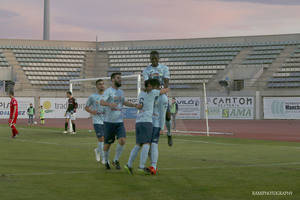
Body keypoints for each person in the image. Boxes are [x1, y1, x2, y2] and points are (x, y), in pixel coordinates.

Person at [124, 79, 168, 175]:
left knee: (138, 144)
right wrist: (166, 87)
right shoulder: (152, 93)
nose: (156, 88)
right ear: (149, 86)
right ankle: (141, 166)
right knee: (147, 144)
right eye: (155, 86)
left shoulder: (141, 94)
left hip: (138, 121)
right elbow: (164, 91)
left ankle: (129, 164)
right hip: (147, 121)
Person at [100, 72, 138, 170]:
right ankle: (106, 160)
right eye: (118, 78)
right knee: (107, 144)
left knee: (122, 140)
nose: (120, 79)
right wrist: (109, 104)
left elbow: (124, 102)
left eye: (120, 78)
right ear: (112, 79)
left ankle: (115, 160)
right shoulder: (108, 91)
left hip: (119, 122)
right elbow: (101, 101)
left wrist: (134, 105)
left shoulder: (121, 92)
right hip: (109, 122)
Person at [142, 50, 173, 146]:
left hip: (162, 94)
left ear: (159, 59)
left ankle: (169, 134)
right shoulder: (146, 70)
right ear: (150, 59)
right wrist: (155, 89)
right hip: (152, 96)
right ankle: (153, 134)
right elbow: (147, 85)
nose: (154, 60)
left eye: (156, 58)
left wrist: (161, 89)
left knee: (168, 116)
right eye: (152, 59)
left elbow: (166, 82)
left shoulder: (164, 68)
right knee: (152, 115)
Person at [148, 80, 169, 175]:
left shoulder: (163, 98)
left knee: (154, 144)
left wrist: (161, 127)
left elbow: (162, 113)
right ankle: (152, 164)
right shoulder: (152, 94)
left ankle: (153, 166)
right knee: (147, 146)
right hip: (147, 122)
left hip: (155, 124)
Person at [85, 79, 106, 164]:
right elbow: (86, 107)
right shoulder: (92, 97)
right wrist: (92, 111)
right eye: (100, 84)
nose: (102, 85)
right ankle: (104, 158)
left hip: (107, 121)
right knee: (101, 139)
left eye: (103, 84)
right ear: (97, 86)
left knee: (108, 140)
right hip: (97, 121)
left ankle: (97, 150)